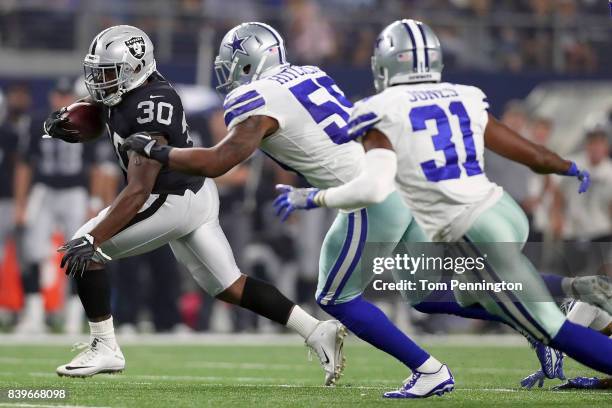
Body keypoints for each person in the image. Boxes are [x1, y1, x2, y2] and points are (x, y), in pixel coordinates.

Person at [269, 18, 612, 386]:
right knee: (451, 293)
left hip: (470, 224)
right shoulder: (464, 94)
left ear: (387, 63)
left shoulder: (379, 107)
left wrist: (314, 196)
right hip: (503, 211)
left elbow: (371, 188)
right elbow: (529, 153)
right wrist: (568, 166)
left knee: (549, 330)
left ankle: (567, 302)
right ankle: (570, 294)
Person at [121, 22, 451, 398]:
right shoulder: (310, 74)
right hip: (389, 179)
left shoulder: (258, 96)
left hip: (367, 196)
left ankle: (429, 370)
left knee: (337, 298)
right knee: (429, 294)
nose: (226, 73)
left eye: (231, 64)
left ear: (248, 63)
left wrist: (156, 151)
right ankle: (532, 324)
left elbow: (217, 162)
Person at [42, 25, 344, 384]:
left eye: (108, 74)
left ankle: (104, 346)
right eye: (97, 73)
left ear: (134, 69)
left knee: (85, 246)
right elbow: (103, 114)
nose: (99, 83)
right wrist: (71, 122)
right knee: (230, 285)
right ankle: (314, 330)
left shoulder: (148, 106)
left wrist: (94, 239)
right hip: (195, 195)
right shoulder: (131, 91)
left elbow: (139, 189)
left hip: (169, 199)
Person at [13, 78, 98, 334]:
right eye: (58, 95)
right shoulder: (37, 122)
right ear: (52, 97)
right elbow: (25, 164)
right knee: (32, 252)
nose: (62, 100)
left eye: (66, 95)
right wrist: (21, 202)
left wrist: (94, 201)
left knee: (80, 250)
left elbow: (94, 166)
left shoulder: (86, 121)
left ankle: (74, 314)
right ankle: (35, 314)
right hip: (45, 190)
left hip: (75, 191)